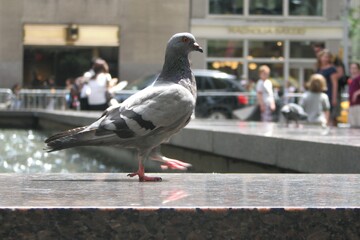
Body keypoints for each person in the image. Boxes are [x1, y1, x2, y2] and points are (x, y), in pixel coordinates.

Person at [316, 49, 338, 126]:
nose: (325, 59)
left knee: (328, 113)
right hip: (319, 94)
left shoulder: (332, 69)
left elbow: (335, 84)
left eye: (327, 57)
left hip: (329, 94)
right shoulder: (319, 68)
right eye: (324, 57)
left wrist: (334, 98)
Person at [348, 62, 360, 128]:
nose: (353, 70)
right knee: (353, 125)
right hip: (352, 105)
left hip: (358, 105)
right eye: (351, 68)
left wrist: (356, 93)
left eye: (355, 68)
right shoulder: (351, 79)